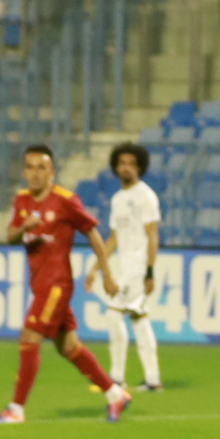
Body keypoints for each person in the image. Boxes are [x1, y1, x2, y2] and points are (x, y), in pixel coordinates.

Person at [0, 145, 132, 424]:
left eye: (42, 167)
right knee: (68, 347)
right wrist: (24, 228)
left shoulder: (65, 200)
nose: (35, 173)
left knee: (29, 337)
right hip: (39, 285)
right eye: (30, 167)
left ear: (52, 171)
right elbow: (10, 237)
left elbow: (93, 234)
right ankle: (116, 395)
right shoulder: (22, 200)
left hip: (57, 284)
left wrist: (107, 273)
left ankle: (16, 409)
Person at [84, 142, 163, 392]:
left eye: (131, 164)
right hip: (124, 266)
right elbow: (114, 239)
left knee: (113, 314)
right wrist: (96, 267)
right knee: (139, 320)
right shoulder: (118, 199)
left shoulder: (146, 196)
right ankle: (152, 380)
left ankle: (116, 378)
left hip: (138, 269)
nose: (126, 168)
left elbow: (153, 235)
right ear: (116, 167)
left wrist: (150, 271)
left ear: (139, 167)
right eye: (122, 164)